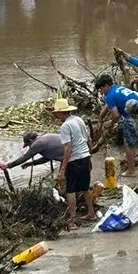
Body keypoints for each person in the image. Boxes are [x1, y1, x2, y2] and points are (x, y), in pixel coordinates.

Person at [94, 74, 138, 177]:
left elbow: (115, 115)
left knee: (128, 144)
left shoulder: (110, 95)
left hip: (131, 116)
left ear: (105, 86)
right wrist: (100, 119)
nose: (101, 92)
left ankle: (131, 171)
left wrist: (110, 123)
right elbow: (107, 106)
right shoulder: (118, 88)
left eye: (101, 89)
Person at [53, 98, 94, 230]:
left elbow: (68, 148)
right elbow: (88, 138)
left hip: (75, 160)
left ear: (62, 113)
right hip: (85, 157)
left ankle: (72, 220)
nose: (56, 116)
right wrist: (90, 154)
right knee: (85, 188)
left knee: (70, 190)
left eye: (57, 113)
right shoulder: (79, 120)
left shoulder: (65, 126)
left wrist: (62, 169)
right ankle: (91, 213)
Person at [0, 131, 64, 173]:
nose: (29, 147)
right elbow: (47, 158)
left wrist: (7, 165)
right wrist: (31, 163)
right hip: (70, 158)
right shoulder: (45, 138)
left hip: (70, 160)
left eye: (28, 145)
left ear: (30, 140)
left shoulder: (38, 144)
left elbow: (24, 157)